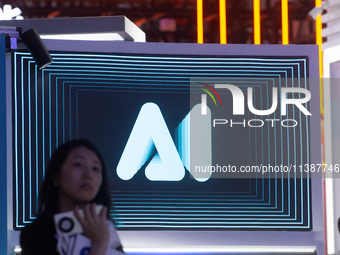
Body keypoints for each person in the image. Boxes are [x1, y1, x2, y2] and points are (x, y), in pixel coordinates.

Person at [20, 139, 124, 255]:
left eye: (95, 168)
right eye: (78, 164)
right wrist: (99, 243)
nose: (88, 175)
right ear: (56, 176)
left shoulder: (105, 228)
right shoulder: (36, 233)